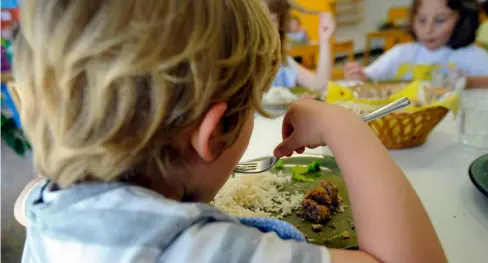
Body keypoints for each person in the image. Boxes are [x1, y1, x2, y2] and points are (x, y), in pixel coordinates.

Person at [13, 0, 447, 262]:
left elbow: (26, 197)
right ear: (214, 132)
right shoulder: (198, 250)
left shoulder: (44, 202)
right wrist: (346, 127)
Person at [345, 0, 488, 89]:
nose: (428, 29)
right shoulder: (401, 53)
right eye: (422, 20)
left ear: (462, 21)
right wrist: (358, 75)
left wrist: (469, 83)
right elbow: (369, 76)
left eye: (440, 20)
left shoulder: (473, 55)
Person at [266, 0, 333, 92]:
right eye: (261, 20)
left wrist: (325, 40)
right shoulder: (243, 66)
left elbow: (320, 86)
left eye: (272, 20)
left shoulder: (282, 63)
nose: (266, 27)